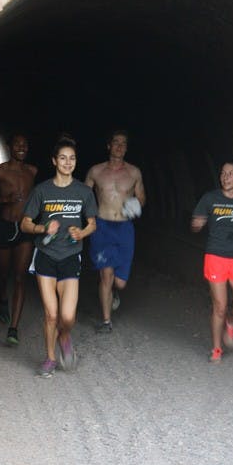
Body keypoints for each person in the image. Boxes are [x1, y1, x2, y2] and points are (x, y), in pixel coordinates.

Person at [20, 135, 97, 377]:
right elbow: (24, 224)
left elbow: (93, 223)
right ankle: (50, 358)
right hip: (45, 256)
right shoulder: (42, 190)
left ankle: (64, 336)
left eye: (72, 158)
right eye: (62, 158)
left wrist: (81, 232)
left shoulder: (84, 191)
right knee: (51, 314)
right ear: (54, 161)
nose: (67, 162)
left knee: (67, 316)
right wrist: (44, 228)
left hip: (70, 256)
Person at [191, 160, 233, 364]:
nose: (225, 177)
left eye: (230, 173)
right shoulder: (210, 198)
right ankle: (216, 349)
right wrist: (197, 224)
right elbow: (196, 223)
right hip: (216, 256)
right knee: (219, 306)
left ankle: (232, 321)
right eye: (223, 173)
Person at [85, 129, 146, 332]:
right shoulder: (95, 171)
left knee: (119, 283)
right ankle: (106, 321)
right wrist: (87, 217)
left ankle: (114, 293)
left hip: (124, 229)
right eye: (116, 142)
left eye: (123, 143)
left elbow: (142, 197)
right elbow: (84, 195)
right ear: (109, 145)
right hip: (102, 226)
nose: (119, 146)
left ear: (126, 148)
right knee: (106, 275)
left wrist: (136, 205)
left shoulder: (134, 172)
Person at [0, 133, 37, 345]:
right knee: (4, 273)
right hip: (4, 226)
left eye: (25, 144)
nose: (21, 148)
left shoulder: (32, 171)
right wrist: (5, 199)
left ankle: (13, 329)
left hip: (24, 229)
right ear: (9, 147)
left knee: (20, 277)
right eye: (17, 144)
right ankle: (3, 297)